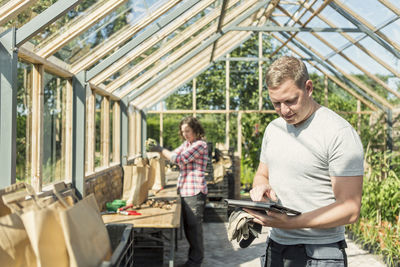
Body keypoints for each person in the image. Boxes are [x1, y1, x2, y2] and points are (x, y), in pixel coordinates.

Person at [244, 56, 364, 267]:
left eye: (290, 101)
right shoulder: (274, 129)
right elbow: (262, 174)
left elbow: (350, 208)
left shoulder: (337, 132)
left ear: (308, 88)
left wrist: (291, 223)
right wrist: (260, 187)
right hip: (276, 247)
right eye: (276, 103)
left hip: (320, 253)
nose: (284, 110)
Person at [148, 116, 208, 267]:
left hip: (195, 191)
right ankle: (192, 259)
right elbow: (172, 156)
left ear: (195, 129)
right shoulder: (187, 144)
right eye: (183, 131)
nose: (185, 134)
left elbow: (179, 159)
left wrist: (160, 149)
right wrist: (158, 153)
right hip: (185, 190)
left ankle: (195, 261)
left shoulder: (200, 145)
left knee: (194, 229)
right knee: (188, 228)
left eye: (188, 130)